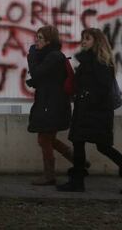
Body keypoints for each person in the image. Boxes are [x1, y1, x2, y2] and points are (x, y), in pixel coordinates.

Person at [57, 28, 122, 195]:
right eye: (82, 38)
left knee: (103, 146)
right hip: (86, 110)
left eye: (87, 38)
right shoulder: (87, 60)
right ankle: (77, 181)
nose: (83, 41)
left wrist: (87, 98)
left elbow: (103, 89)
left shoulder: (100, 62)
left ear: (97, 41)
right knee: (78, 143)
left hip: (97, 112)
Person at [27, 25, 77, 185]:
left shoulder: (53, 57)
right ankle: (79, 162)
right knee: (49, 139)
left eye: (40, 38)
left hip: (53, 104)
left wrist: (32, 56)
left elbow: (37, 72)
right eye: (37, 37)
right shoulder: (50, 56)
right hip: (51, 103)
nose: (37, 42)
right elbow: (44, 78)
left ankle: (49, 175)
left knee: (44, 139)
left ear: (49, 41)